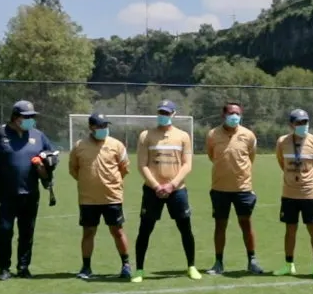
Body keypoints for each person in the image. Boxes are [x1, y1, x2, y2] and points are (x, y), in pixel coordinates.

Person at [0, 100, 54, 280]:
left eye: (32, 117)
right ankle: (4, 268)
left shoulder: (38, 135)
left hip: (30, 192)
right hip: (5, 193)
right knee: (4, 231)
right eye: (26, 117)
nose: (30, 120)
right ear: (15, 117)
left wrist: (46, 163)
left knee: (27, 232)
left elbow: (51, 155)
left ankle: (23, 267)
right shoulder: (0, 133)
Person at [131, 100, 201, 283]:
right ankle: (139, 270)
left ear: (174, 114)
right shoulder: (146, 135)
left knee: (185, 228)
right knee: (145, 229)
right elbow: (142, 165)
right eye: (161, 112)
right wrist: (156, 186)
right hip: (152, 191)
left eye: (167, 113)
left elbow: (187, 165)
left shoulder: (183, 136)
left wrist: (172, 185)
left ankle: (191, 266)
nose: (163, 115)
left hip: (177, 191)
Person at [68, 113, 133, 280]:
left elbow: (124, 168)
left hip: (112, 197)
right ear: (91, 128)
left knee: (117, 231)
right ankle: (86, 267)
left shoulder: (117, 145)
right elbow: (74, 170)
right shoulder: (79, 146)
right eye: (100, 126)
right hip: (88, 199)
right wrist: (89, 182)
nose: (104, 129)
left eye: (105, 126)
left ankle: (126, 265)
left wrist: (110, 183)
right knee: (88, 232)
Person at [205, 102, 264, 275]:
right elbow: (211, 155)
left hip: (243, 188)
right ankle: (218, 263)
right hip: (220, 188)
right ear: (223, 115)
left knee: (246, 224)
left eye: (237, 113)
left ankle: (252, 261)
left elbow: (250, 157)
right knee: (220, 225)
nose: (234, 116)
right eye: (231, 113)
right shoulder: (212, 134)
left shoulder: (248, 135)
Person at [274, 109, 313, 279]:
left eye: (305, 122)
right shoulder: (282, 142)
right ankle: (289, 264)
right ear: (291, 124)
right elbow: (282, 162)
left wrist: (308, 180)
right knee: (290, 229)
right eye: (298, 122)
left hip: (310, 193)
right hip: (289, 192)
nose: (302, 125)